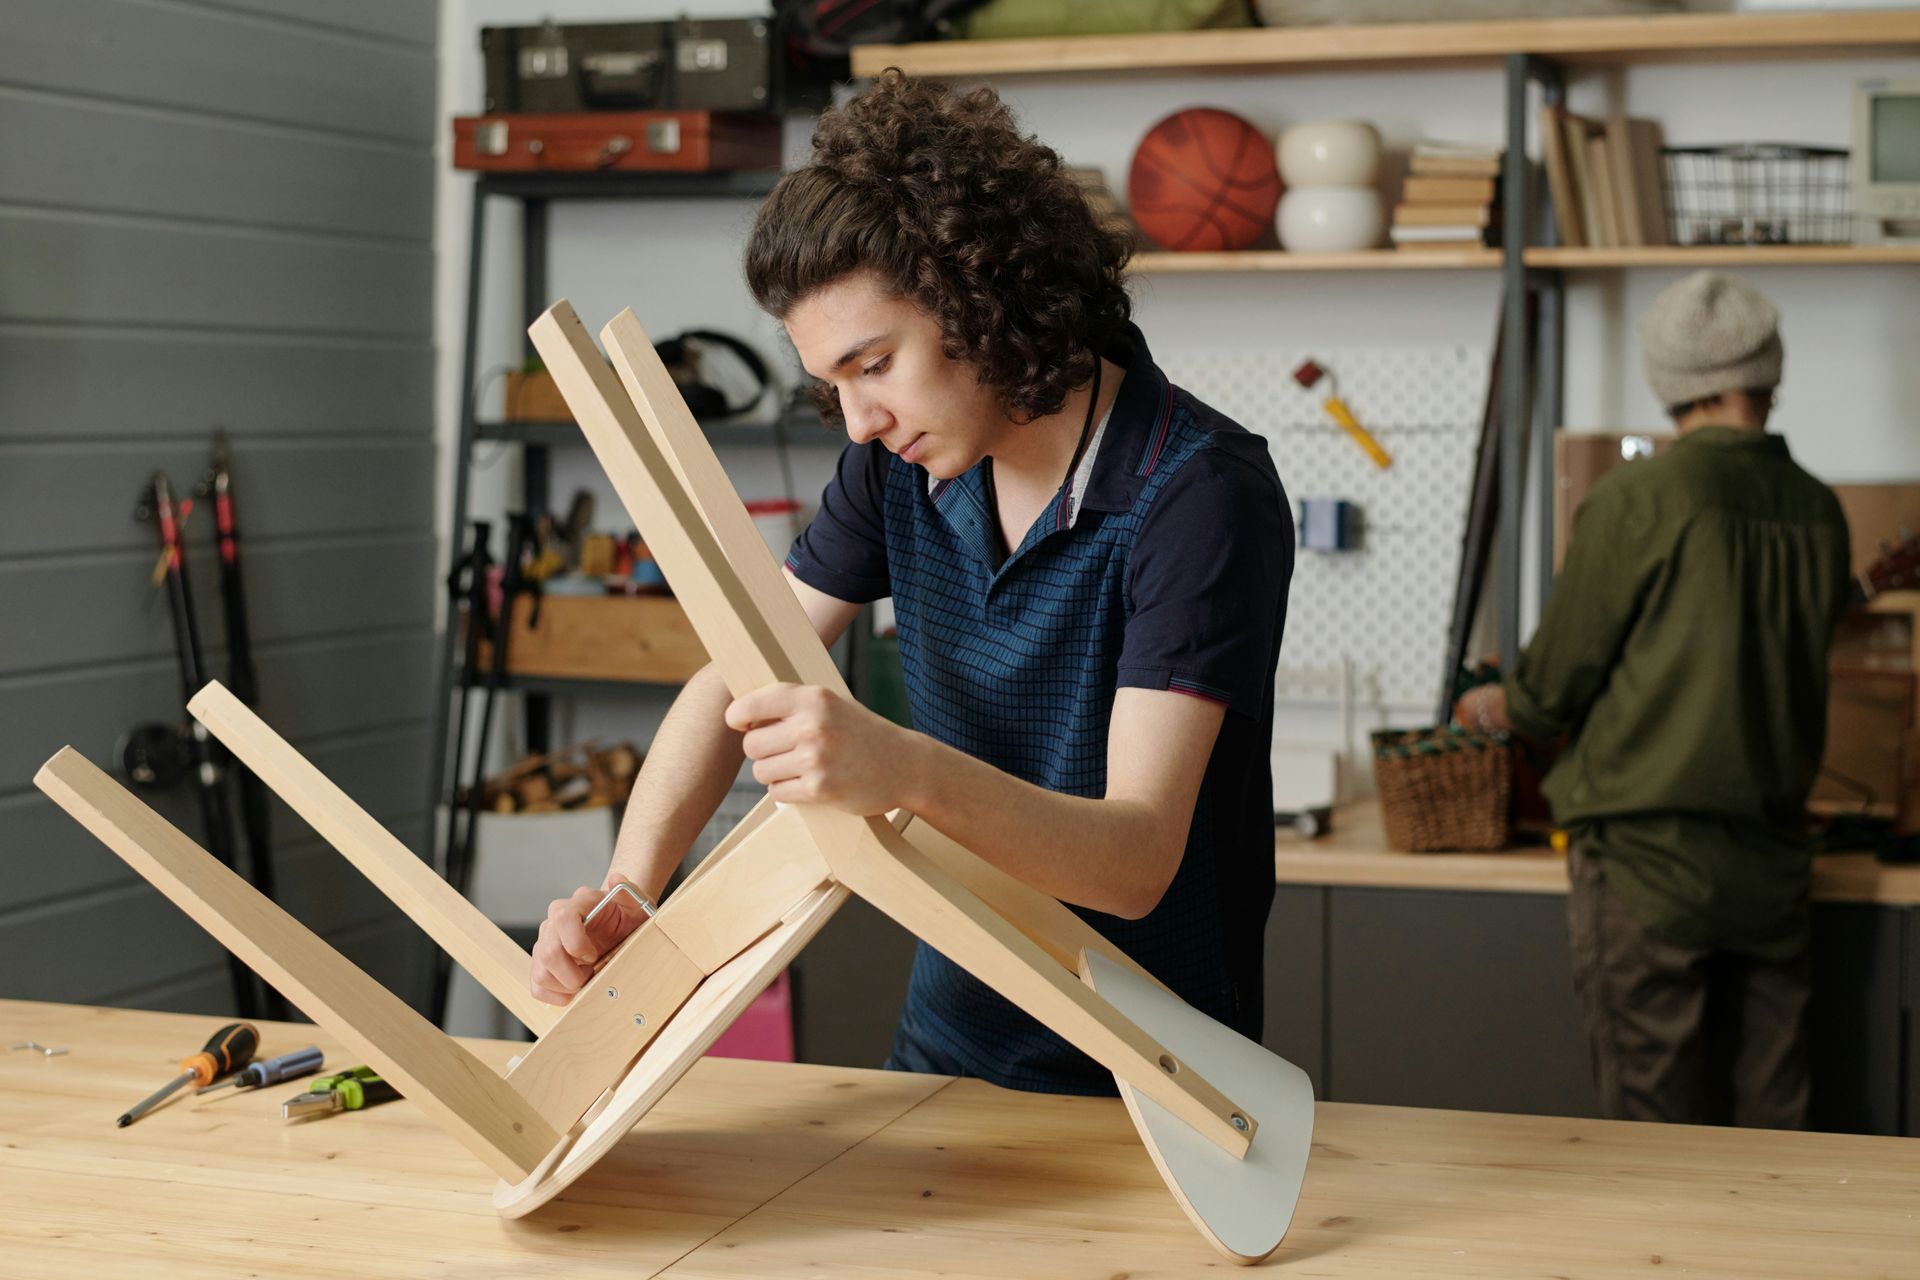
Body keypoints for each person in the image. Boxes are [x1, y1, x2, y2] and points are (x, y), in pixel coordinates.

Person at [528, 70, 1294, 1096]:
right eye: (831, 384)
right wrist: (630, 889)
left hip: (1155, 1083)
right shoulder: (899, 466)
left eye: (875, 364)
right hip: (947, 1052)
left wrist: (902, 768)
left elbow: (1135, 858)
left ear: (981, 296)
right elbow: (732, 682)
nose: (857, 420)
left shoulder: (1197, 492)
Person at [1457, 270, 1850, 1128]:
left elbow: (1550, 693)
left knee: (1654, 1147)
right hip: (1773, 867)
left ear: (1670, 381)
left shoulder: (1639, 499)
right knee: (1783, 1142)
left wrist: (1498, 703)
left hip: (1644, 864)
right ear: (1767, 373)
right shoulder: (1819, 511)